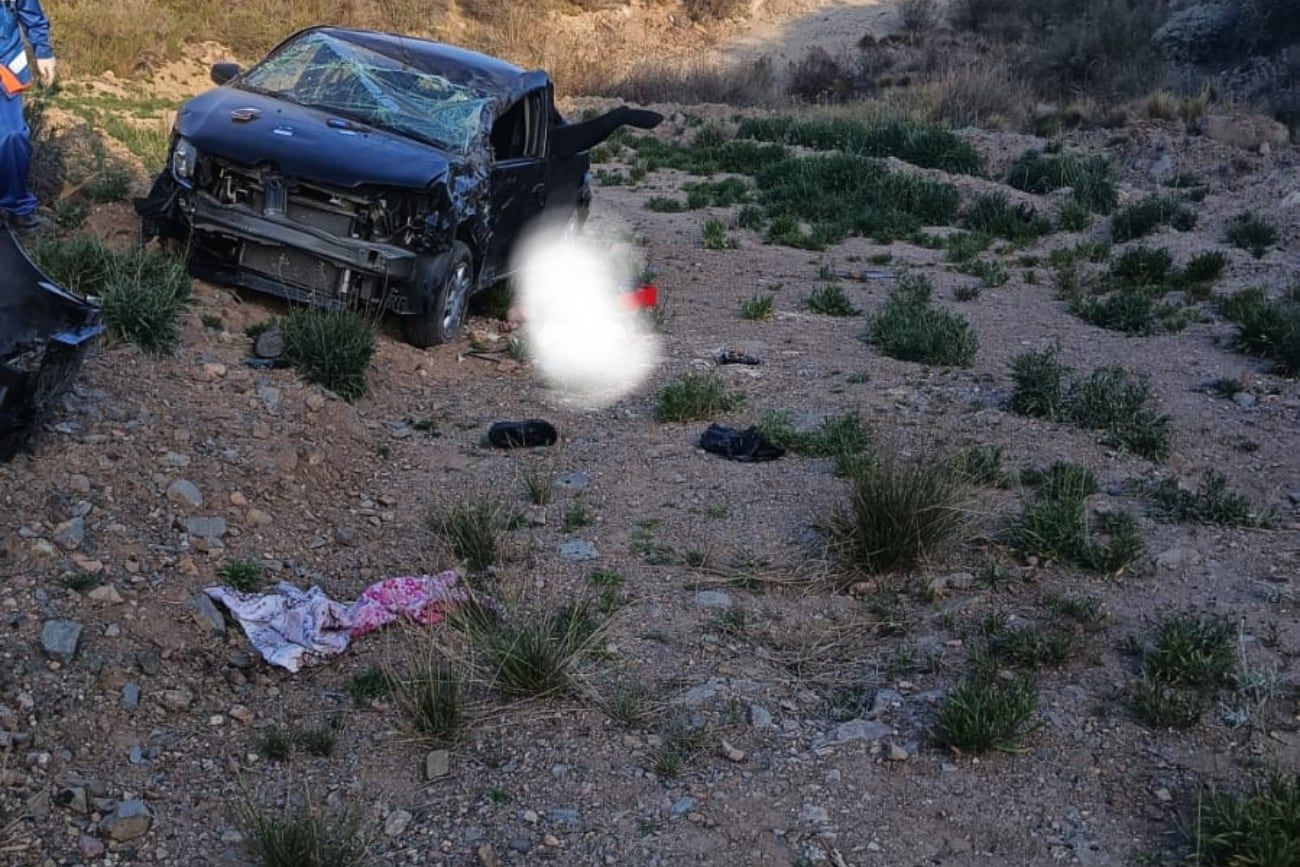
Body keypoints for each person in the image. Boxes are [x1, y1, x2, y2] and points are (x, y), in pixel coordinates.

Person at [1, 0, 56, 232]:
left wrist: (43, 50)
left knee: (12, 137)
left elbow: (29, 11)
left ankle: (17, 209)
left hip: (5, 65)